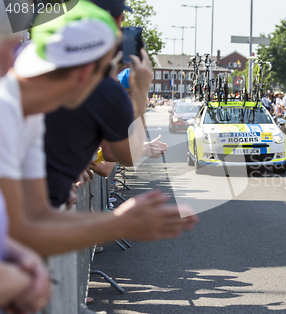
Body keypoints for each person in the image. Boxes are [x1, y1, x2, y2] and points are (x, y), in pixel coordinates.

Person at [0, 1, 197, 259]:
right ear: (85, 74)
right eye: (107, 70)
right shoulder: (7, 113)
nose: (110, 83)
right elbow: (24, 231)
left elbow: (31, 222)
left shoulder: (29, 113)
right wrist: (120, 223)